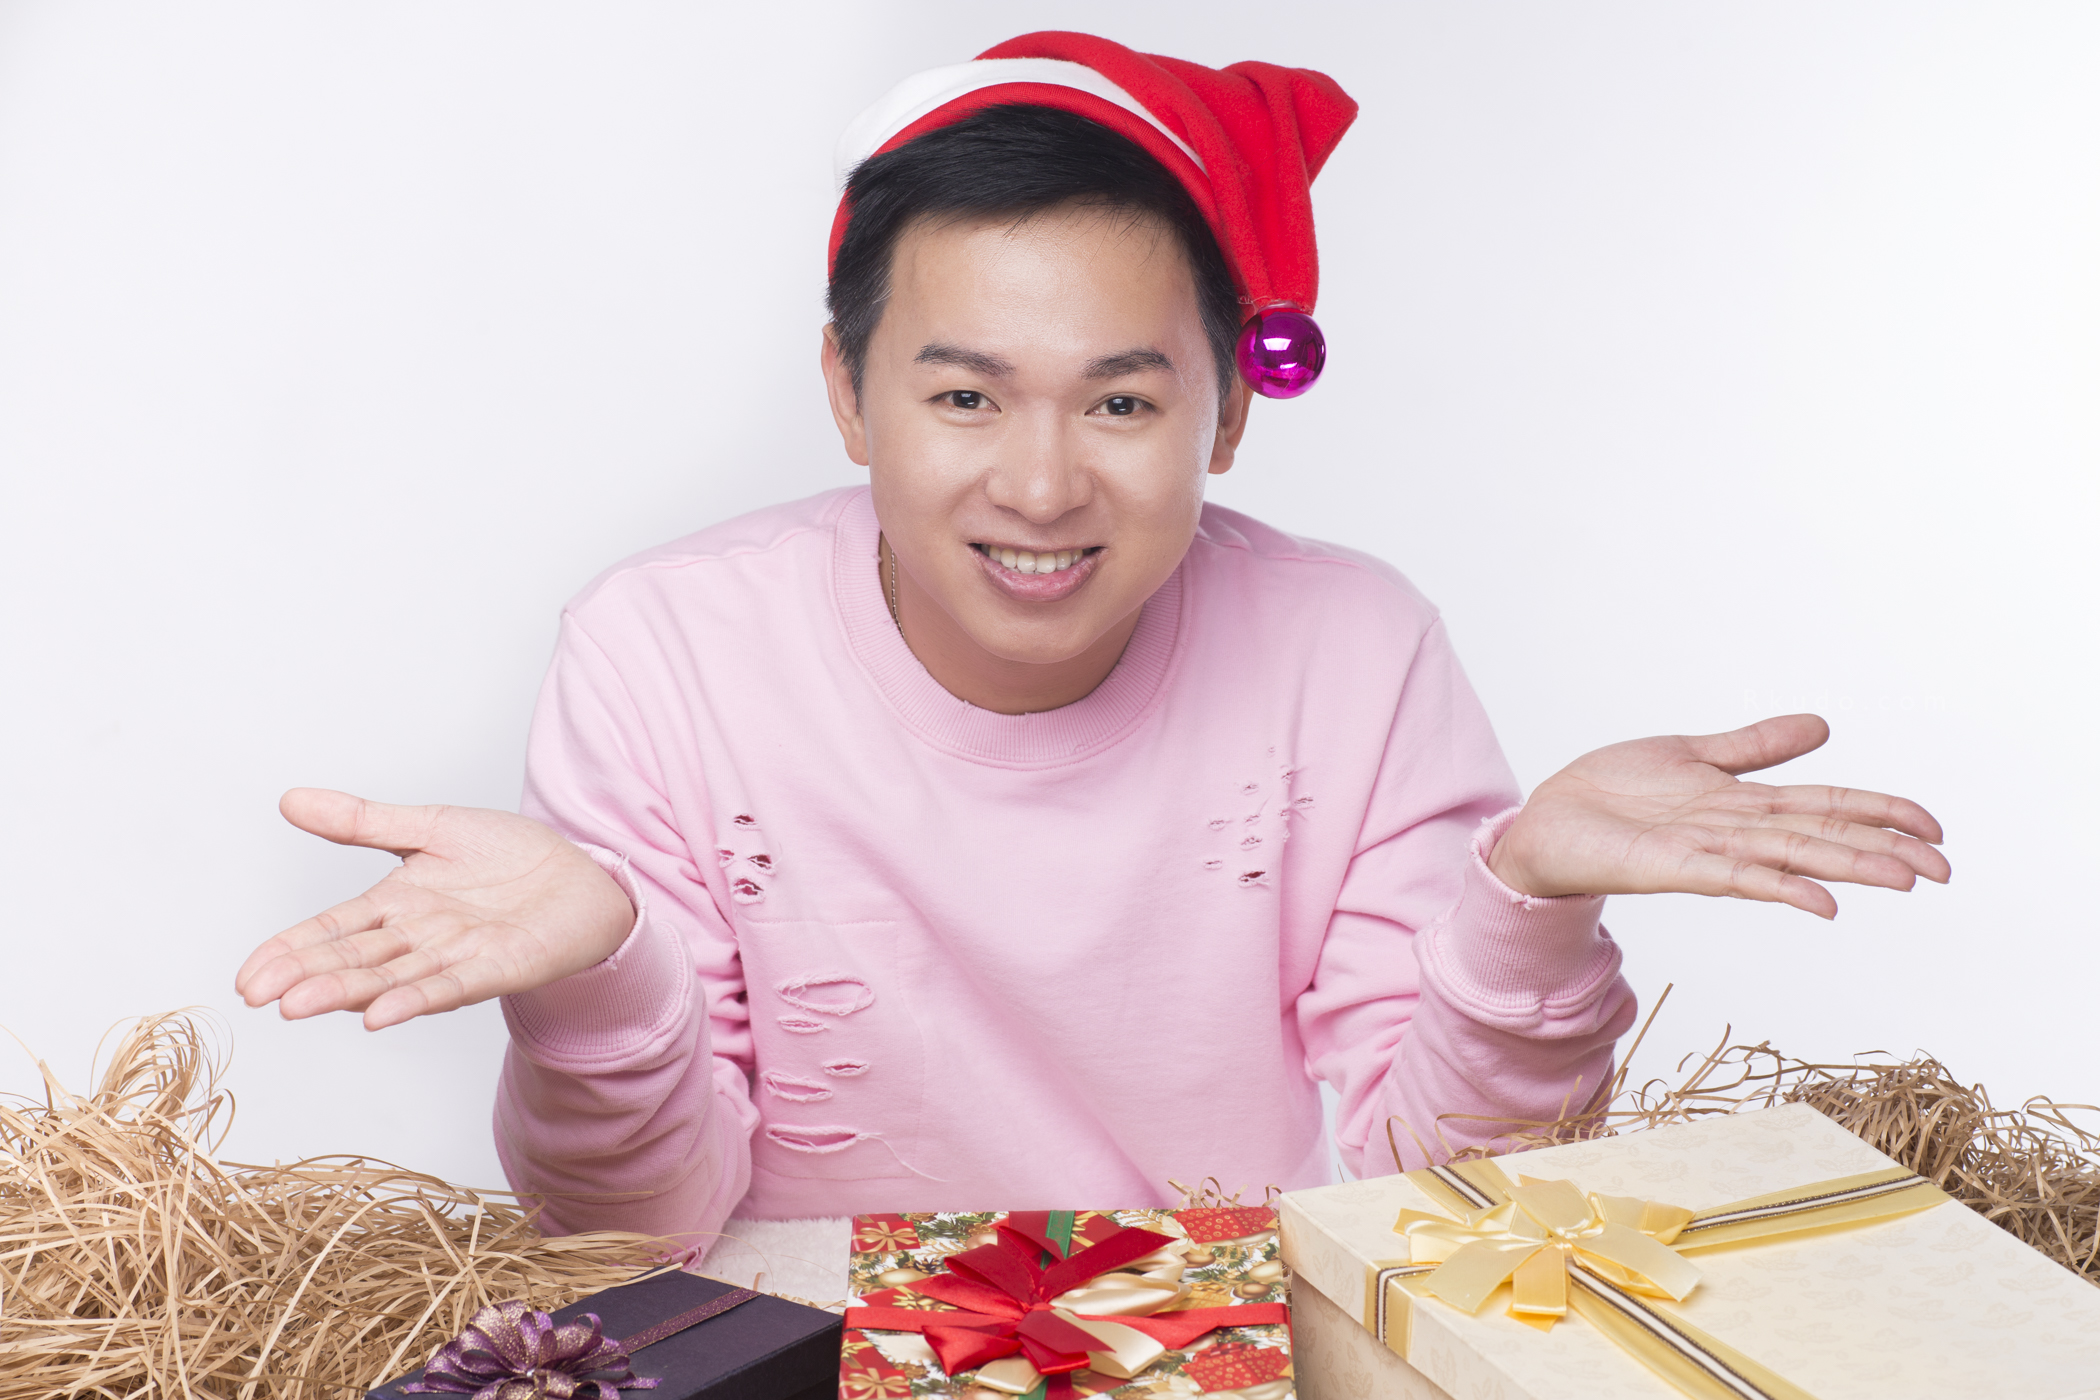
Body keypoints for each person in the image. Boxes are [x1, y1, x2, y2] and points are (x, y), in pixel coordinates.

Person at [233, 33, 1948, 1254]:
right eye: (965, 396)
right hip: (811, 1347)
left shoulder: (1352, 651)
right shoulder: (663, 650)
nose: (1043, 484)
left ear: (1227, 415)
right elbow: (643, 1231)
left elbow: (1435, 1196)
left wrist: (1529, 907)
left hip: (1227, 1336)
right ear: (848, 394)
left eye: (1121, 401)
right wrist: (599, 977)